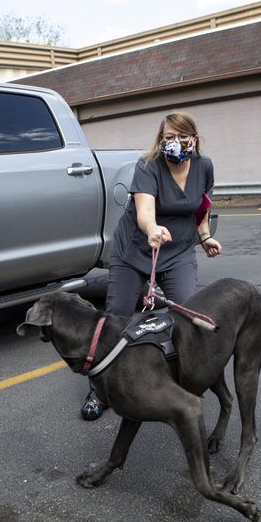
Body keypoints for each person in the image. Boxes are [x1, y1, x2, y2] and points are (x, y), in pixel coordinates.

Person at [81, 112, 222, 420]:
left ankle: (173, 378)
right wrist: (151, 229)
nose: (174, 143)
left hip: (179, 249)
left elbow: (202, 207)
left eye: (181, 137)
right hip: (134, 249)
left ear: (194, 139)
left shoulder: (204, 166)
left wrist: (205, 236)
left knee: (186, 312)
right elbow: (144, 211)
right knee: (117, 316)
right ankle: (99, 390)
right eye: (167, 137)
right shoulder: (148, 166)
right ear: (160, 140)